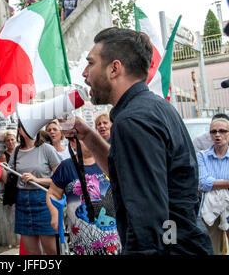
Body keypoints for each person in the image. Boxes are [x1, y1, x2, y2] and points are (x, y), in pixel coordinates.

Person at [61, 27, 213, 255]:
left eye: (90, 63)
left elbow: (149, 221)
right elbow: (126, 175)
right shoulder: (154, 107)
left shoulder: (133, 121)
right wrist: (88, 136)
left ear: (114, 68)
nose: (84, 73)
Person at [47, 137, 121, 255]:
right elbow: (53, 193)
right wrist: (55, 215)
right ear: (73, 143)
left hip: (113, 237)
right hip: (81, 240)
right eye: (84, 138)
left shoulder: (108, 161)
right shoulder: (66, 167)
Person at [1, 124, 61, 255]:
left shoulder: (47, 149)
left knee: (52, 251)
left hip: (45, 201)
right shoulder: (16, 151)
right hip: (23, 203)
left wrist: (37, 180)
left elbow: (60, 179)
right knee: (32, 253)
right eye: (22, 126)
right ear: (19, 130)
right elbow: (8, 180)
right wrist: (0, 168)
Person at [198, 117, 229, 254]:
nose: (217, 135)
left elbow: (208, 183)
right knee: (213, 249)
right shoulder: (202, 156)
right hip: (210, 209)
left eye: (222, 131)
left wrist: (214, 183)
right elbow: (203, 183)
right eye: (214, 131)